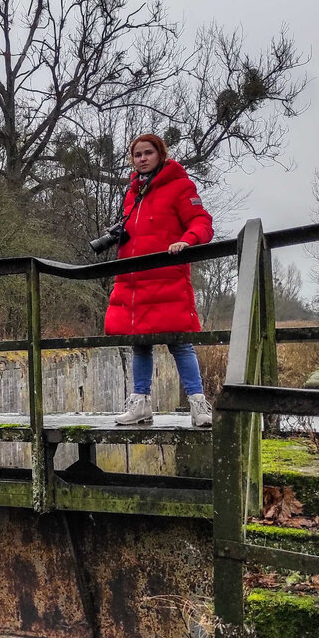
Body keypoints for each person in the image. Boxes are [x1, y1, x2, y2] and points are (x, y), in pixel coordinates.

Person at [105, 133, 214, 427]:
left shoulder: (180, 186)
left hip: (167, 278)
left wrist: (187, 240)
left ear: (160, 155)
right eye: (137, 154)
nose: (142, 158)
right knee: (140, 344)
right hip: (135, 281)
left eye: (148, 153)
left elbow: (202, 222)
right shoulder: (134, 192)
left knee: (179, 342)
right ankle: (140, 405)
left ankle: (199, 405)